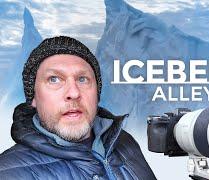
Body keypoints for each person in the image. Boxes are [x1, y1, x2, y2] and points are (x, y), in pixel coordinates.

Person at [0, 36, 156, 180]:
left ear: (97, 93)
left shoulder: (124, 142)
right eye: (54, 79)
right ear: (33, 97)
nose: (73, 93)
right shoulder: (8, 173)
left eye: (82, 79)